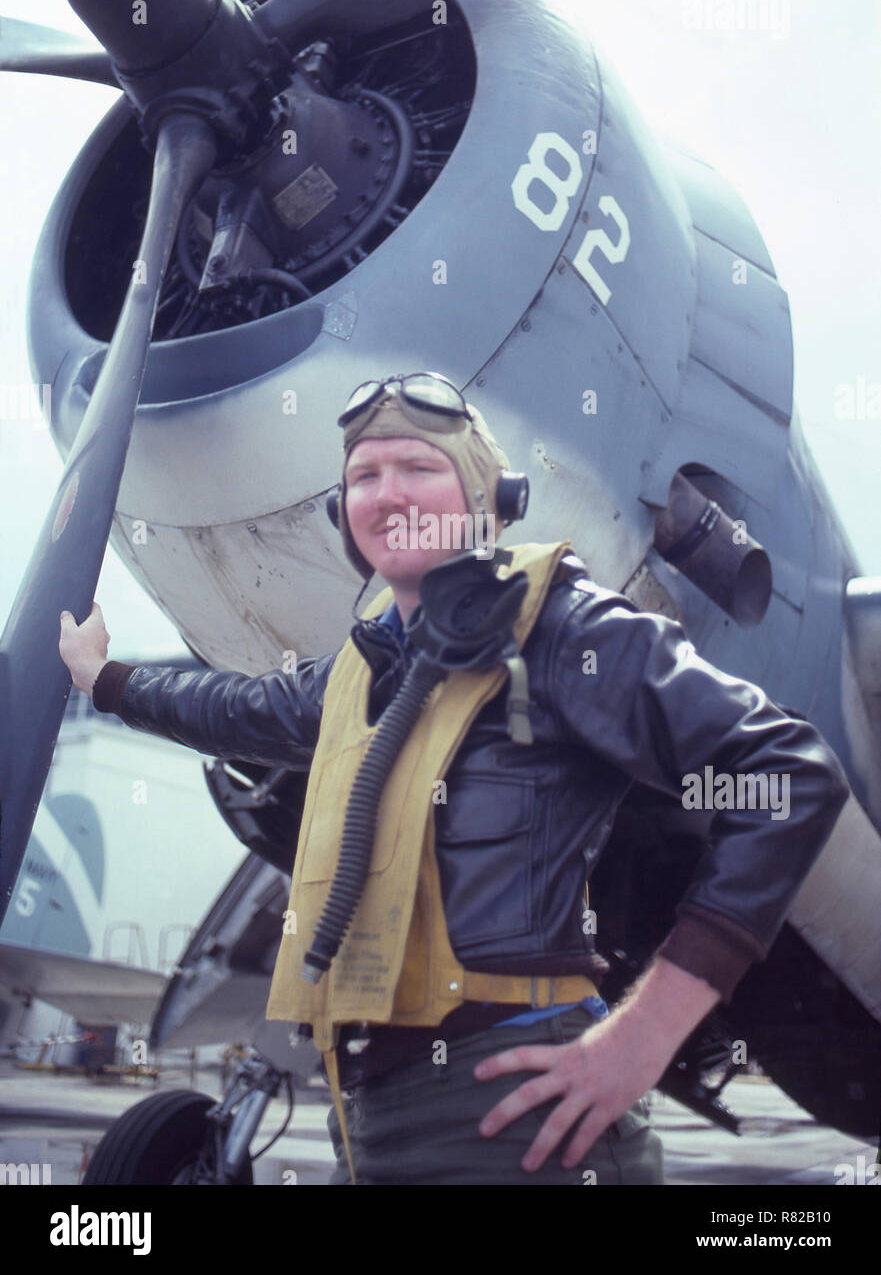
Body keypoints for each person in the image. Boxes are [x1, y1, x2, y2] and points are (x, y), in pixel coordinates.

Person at [59, 371, 851, 1186]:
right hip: (363, 1117)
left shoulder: (563, 628)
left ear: (482, 498)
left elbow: (787, 771)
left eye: (418, 468)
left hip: (517, 1115)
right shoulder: (358, 676)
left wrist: (645, 1034)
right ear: (342, 515)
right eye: (363, 477)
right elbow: (236, 707)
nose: (387, 493)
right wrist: (105, 682)